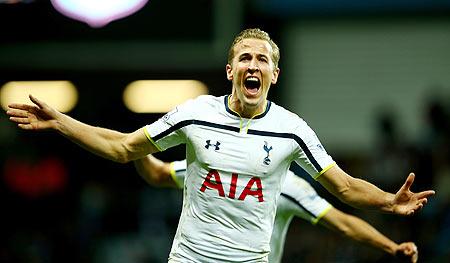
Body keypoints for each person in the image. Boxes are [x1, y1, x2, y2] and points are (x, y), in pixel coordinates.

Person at [7, 28, 434, 262]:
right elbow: (123, 149)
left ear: (274, 75)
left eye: (262, 59)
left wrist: (386, 202)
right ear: (231, 70)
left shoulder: (291, 131)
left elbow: (342, 190)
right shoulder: (195, 114)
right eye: (245, 57)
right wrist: (62, 123)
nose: (254, 65)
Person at [135, 155, 419, 263]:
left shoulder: (287, 187)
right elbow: (157, 173)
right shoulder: (211, 166)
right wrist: (136, 146)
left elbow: (342, 222)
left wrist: (391, 247)